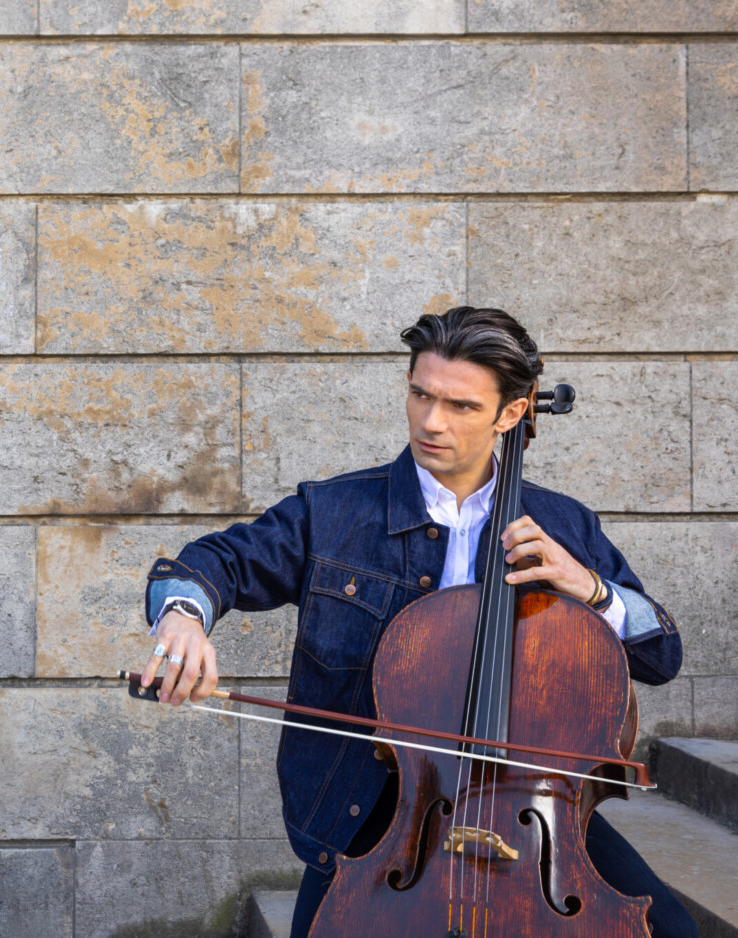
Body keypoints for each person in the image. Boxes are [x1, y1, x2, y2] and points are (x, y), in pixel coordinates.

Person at [140, 306, 695, 938]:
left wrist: (592, 589)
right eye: (420, 395)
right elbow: (217, 562)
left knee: (672, 930)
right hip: (380, 807)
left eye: (460, 406)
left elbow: (661, 655)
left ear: (511, 414)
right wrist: (183, 618)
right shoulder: (335, 512)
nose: (431, 422)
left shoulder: (563, 526)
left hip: (534, 811)